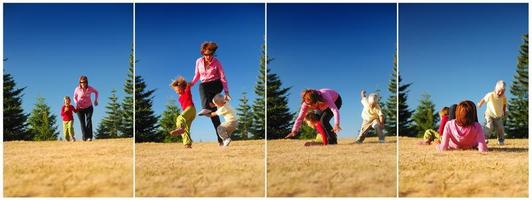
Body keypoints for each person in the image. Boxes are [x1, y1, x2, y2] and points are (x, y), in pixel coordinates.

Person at [190, 41, 230, 145]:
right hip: (207, 89)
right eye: (206, 54)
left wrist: (226, 92)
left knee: (202, 86)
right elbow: (197, 75)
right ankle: (222, 139)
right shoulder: (198, 61)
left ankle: (205, 107)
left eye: (210, 54)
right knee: (213, 115)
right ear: (203, 52)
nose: (208, 56)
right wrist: (191, 84)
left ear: (213, 53)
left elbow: (222, 77)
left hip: (216, 84)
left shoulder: (217, 62)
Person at [169, 76, 196, 148]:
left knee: (179, 118)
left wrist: (187, 84)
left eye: (177, 90)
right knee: (186, 128)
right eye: (175, 90)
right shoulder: (180, 98)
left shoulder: (186, 91)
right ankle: (187, 144)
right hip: (189, 112)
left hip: (190, 108)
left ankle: (180, 128)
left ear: (182, 88)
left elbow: (188, 85)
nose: (176, 91)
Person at [477, 80, 507, 145]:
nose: (500, 93)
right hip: (489, 114)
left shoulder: (504, 97)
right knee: (489, 126)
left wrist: (504, 112)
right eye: (499, 91)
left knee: (500, 128)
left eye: (502, 92)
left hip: (498, 116)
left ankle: (501, 140)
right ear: (495, 89)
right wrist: (480, 104)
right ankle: (484, 138)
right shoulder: (490, 95)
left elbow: (504, 105)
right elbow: (484, 99)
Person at [73, 76, 98, 141]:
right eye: (81, 82)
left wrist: (95, 100)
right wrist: (76, 103)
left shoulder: (90, 88)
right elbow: (74, 97)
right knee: (82, 122)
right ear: (80, 82)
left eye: (84, 82)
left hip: (89, 107)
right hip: (79, 108)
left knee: (89, 120)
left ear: (86, 82)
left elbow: (96, 92)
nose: (83, 83)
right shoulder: (77, 89)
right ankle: (84, 137)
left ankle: (89, 137)